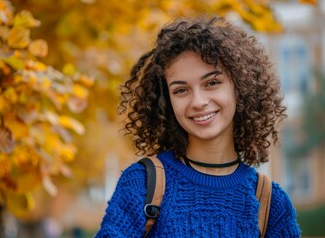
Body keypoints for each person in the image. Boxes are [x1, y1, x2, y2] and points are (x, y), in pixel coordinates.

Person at [95, 15, 301, 237]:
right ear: (166, 101)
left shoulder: (271, 202)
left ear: (240, 87)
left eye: (212, 83)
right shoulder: (142, 184)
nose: (198, 102)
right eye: (181, 90)